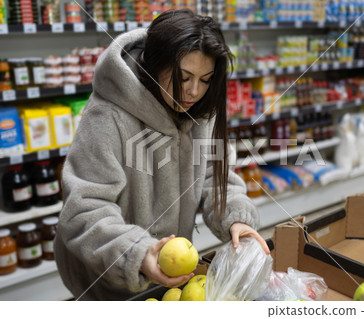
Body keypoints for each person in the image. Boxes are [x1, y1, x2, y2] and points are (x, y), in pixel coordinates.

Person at [54, 9, 270, 301]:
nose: (194, 91)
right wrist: (136, 253)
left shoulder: (199, 109)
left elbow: (212, 174)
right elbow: (85, 209)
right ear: (154, 65)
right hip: (107, 280)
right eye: (184, 77)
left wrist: (236, 218)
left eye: (205, 79)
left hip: (171, 276)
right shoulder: (108, 116)